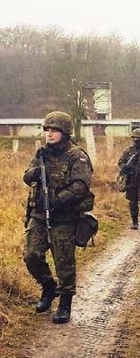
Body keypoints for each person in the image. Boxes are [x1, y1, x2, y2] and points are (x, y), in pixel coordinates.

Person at [23, 111, 95, 325]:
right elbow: (26, 176)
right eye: (47, 130)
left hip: (64, 217)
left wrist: (58, 199)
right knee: (31, 255)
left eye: (54, 130)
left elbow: (81, 185)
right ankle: (48, 287)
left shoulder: (77, 155)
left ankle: (65, 303)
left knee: (64, 262)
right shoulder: (42, 154)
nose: (49, 134)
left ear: (65, 132)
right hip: (38, 215)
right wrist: (34, 173)